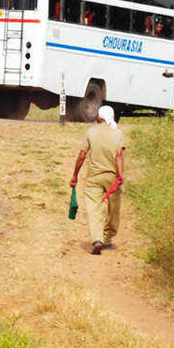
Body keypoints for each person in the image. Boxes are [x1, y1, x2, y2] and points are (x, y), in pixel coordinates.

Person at [69, 105, 125, 255]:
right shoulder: (118, 134)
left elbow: (82, 156)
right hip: (112, 178)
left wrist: (75, 175)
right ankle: (107, 238)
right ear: (112, 117)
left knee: (94, 209)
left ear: (98, 118)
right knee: (113, 209)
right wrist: (120, 174)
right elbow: (119, 155)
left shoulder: (91, 132)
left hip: (94, 178)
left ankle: (97, 239)